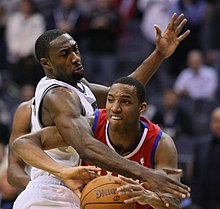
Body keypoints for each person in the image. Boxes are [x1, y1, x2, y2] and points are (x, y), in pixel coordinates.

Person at [11, 13, 190, 209]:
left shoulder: (76, 85)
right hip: (52, 190)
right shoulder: (58, 95)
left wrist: (159, 55)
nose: (75, 58)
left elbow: (123, 91)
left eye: (75, 50)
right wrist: (146, 174)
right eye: (65, 54)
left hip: (74, 189)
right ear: (46, 63)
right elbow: (85, 146)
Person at [13, 77, 182, 209]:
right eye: (110, 100)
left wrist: (150, 197)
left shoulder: (161, 144)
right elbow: (23, 143)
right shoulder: (90, 126)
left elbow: (175, 201)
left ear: (142, 108)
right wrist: (63, 171)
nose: (115, 108)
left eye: (125, 102)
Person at [190, 106, 220, 209]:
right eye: (216, 121)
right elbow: (195, 175)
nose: (218, 125)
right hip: (203, 203)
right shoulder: (200, 146)